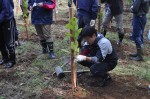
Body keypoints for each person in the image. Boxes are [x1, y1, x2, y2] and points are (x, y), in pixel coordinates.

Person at [0, 0, 16, 68]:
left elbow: (5, 11)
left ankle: (12, 60)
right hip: (1, 22)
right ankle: (5, 58)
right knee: (1, 42)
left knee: (9, 42)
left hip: (7, 21)